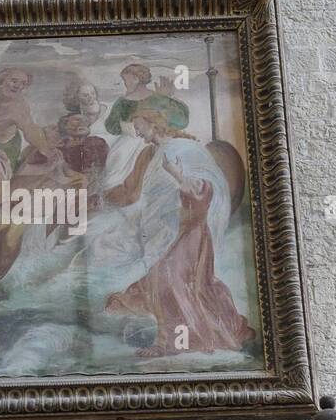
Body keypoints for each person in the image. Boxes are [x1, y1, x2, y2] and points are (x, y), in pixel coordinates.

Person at [103, 110, 253, 356]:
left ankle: (169, 344)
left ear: (155, 123)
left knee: (169, 279)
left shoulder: (182, 148)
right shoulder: (155, 154)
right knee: (176, 281)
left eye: (140, 125)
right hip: (172, 228)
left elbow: (204, 185)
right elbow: (148, 196)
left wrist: (176, 174)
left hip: (190, 229)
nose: (137, 131)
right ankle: (227, 326)